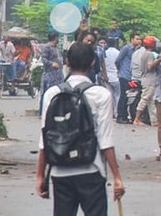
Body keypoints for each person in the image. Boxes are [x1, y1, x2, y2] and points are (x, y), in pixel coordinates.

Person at [36, 43, 126, 215]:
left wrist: (40, 175)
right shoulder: (101, 94)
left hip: (60, 170)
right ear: (93, 62)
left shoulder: (52, 94)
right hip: (91, 169)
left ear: (67, 62)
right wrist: (117, 177)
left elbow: (45, 139)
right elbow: (105, 140)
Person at [115, 33, 140, 124]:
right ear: (132, 39)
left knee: (129, 96)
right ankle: (120, 116)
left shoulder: (137, 50)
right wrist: (120, 70)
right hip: (124, 75)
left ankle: (125, 116)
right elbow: (118, 60)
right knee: (124, 96)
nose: (138, 41)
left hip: (131, 76)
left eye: (139, 39)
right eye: (137, 39)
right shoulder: (126, 48)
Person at [39, 33, 64, 115]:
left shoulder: (56, 48)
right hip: (49, 75)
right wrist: (51, 64)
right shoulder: (47, 47)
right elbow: (43, 59)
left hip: (58, 75)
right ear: (55, 38)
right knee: (47, 93)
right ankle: (43, 112)